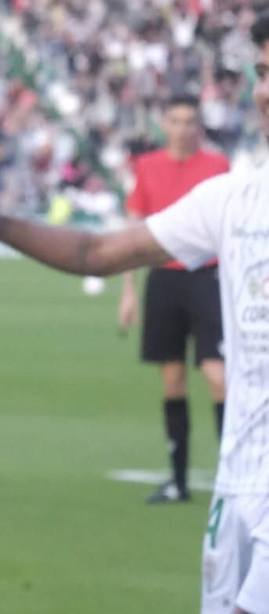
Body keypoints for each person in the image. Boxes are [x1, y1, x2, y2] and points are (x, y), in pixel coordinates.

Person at [0, 21, 269, 614]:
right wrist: (1, 225)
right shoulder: (233, 200)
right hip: (237, 490)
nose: (265, 91)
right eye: (262, 73)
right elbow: (96, 253)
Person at [118, 94, 230, 504]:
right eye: (175, 120)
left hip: (208, 277)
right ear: (164, 124)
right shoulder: (147, 168)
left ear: (199, 126)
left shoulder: (218, 167)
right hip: (164, 278)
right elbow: (132, 233)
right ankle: (178, 481)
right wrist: (128, 290)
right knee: (172, 379)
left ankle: (230, 478)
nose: (183, 128)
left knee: (218, 376)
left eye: (190, 121)